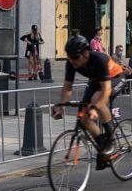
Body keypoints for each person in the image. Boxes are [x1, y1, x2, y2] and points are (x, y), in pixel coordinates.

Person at [51, 35, 124, 170]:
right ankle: (102, 147)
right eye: (69, 57)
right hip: (96, 81)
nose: (72, 61)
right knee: (83, 115)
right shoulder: (72, 63)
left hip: (114, 79)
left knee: (96, 101)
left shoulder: (99, 59)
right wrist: (61, 107)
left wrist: (95, 108)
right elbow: (67, 86)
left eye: (75, 57)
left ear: (85, 53)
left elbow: (106, 89)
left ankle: (111, 141)